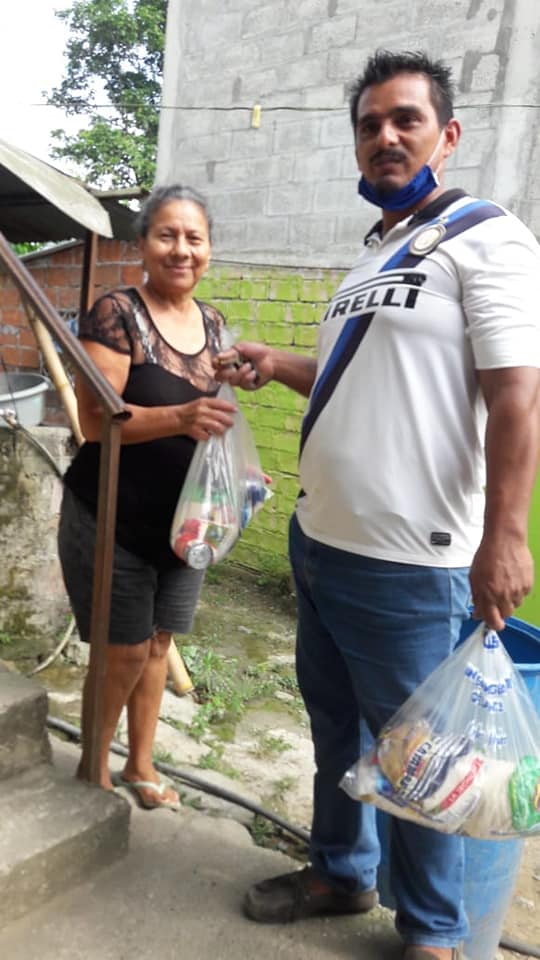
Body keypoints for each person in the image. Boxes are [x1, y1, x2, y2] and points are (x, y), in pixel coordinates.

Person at [215, 50, 540, 960]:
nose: (385, 136)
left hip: (409, 563)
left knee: (421, 761)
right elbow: (356, 382)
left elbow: (518, 396)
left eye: (405, 120)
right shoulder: (373, 254)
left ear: (448, 134)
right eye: (369, 125)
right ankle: (341, 871)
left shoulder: (489, 238)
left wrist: (506, 538)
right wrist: (279, 363)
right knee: (335, 727)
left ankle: (434, 935)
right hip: (320, 541)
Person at [58, 184, 236, 810]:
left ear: (208, 249)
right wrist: (181, 417)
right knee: (124, 649)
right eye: (167, 235)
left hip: (187, 523)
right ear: (143, 244)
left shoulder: (213, 324)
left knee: (159, 643)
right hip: (114, 514)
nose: (181, 250)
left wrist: (238, 476)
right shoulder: (116, 313)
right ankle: (93, 767)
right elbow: (94, 418)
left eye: (194, 238)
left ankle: (139, 764)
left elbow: (218, 418)